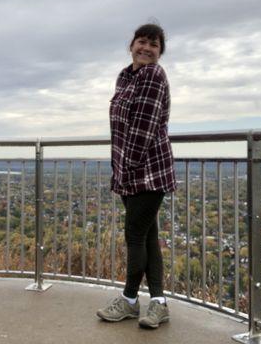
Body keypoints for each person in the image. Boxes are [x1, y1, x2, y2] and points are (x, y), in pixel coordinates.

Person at [96, 23, 176, 328]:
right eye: (142, 41)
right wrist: (122, 170)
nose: (146, 48)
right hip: (129, 169)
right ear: (131, 44)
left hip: (147, 171)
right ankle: (159, 303)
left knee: (134, 236)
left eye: (154, 45)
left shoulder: (154, 75)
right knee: (149, 237)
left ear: (159, 52)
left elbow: (142, 130)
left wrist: (126, 171)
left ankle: (130, 300)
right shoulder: (125, 77)